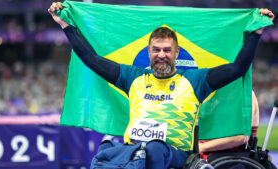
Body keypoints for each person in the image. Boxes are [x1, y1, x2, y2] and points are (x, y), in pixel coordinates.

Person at [48, 3, 274, 169]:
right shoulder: (133, 77)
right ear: (148, 53)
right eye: (156, 50)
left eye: (167, 50)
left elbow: (237, 69)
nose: (161, 55)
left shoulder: (195, 80)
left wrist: (255, 33)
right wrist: (66, 26)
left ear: (176, 52)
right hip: (135, 152)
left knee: (155, 149)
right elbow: (91, 59)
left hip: (174, 154)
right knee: (106, 151)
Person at [199, 91, 260, 160]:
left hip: (226, 156)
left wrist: (201, 147)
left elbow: (241, 137)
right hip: (206, 152)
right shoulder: (219, 92)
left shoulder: (244, 93)